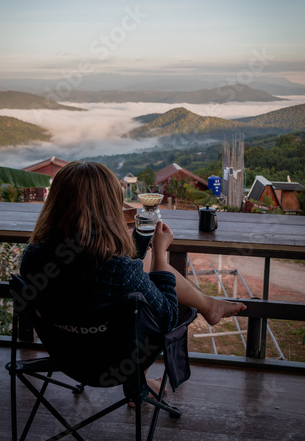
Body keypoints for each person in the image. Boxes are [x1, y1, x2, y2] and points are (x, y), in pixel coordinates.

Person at [20, 161, 246, 395]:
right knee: (147, 271)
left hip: (68, 357)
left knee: (140, 266)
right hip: (118, 363)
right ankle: (204, 308)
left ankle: (208, 305)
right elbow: (166, 318)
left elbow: (83, 272)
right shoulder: (119, 270)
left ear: (55, 203)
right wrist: (159, 252)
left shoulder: (32, 257)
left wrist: (130, 246)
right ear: (109, 207)